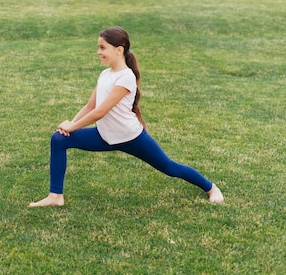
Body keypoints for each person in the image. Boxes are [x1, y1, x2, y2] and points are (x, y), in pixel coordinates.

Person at [29, 26, 224, 207]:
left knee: (169, 167)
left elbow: (100, 112)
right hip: (104, 136)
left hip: (130, 137)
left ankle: (210, 187)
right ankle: (55, 196)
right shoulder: (105, 74)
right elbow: (90, 106)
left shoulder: (126, 77)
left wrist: (73, 127)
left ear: (119, 50)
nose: (98, 52)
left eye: (103, 47)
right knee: (59, 139)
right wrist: (70, 124)